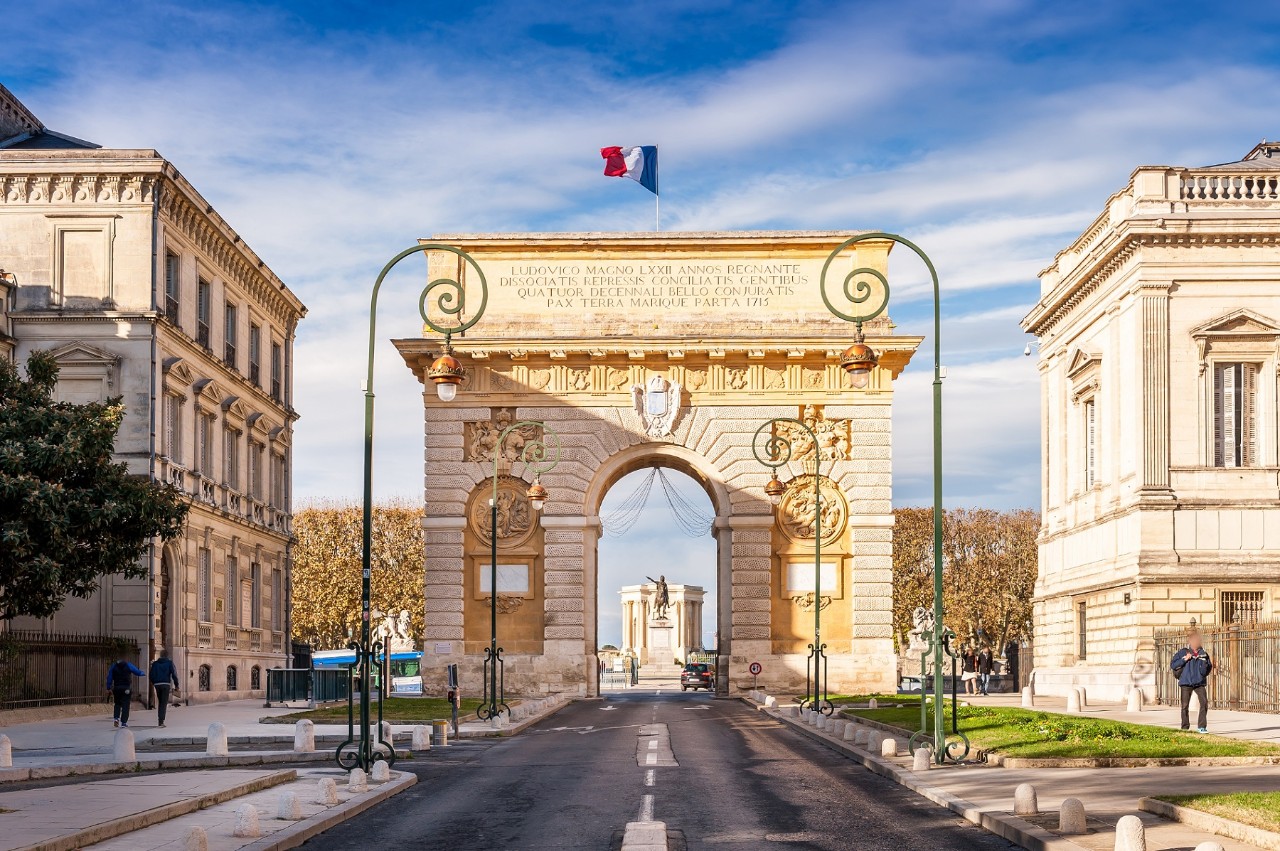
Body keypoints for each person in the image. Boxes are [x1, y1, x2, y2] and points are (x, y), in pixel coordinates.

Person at [1172, 631, 1214, 733]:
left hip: (1199, 683)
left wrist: (1203, 672)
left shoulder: (1203, 654)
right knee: (1185, 706)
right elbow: (1173, 665)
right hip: (1186, 682)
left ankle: (1202, 727)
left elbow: (1209, 667)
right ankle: (1185, 727)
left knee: (1204, 703)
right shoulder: (1183, 652)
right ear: (1190, 641)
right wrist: (1184, 659)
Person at [107, 657, 144, 728]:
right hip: (126, 688)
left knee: (117, 703)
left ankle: (116, 718)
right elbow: (137, 672)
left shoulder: (113, 666)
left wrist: (108, 687)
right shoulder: (128, 665)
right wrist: (143, 673)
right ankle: (124, 722)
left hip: (117, 688)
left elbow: (109, 677)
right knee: (126, 705)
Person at [148, 650, 180, 728]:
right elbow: (174, 674)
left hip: (157, 685)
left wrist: (154, 682)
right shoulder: (169, 663)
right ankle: (161, 721)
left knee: (160, 701)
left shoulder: (155, 664)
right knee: (163, 703)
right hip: (166, 684)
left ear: (160, 655)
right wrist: (176, 685)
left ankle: (160, 719)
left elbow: (151, 674)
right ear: (167, 655)